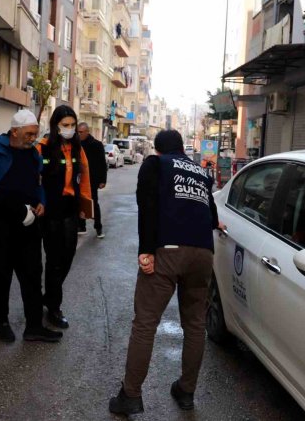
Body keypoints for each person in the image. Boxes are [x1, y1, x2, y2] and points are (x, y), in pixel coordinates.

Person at [109, 130, 224, 416]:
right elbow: (211, 216)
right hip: (202, 254)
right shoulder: (199, 170)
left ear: (158, 150)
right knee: (195, 325)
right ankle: (186, 391)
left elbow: (146, 207)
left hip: (168, 251)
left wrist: (146, 250)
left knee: (146, 324)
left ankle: (131, 395)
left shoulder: (155, 164)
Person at [0, 110, 62, 343]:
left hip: (28, 227)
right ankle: (1, 322)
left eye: (35, 134)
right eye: (28, 134)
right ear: (15, 132)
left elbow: (38, 183)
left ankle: (34, 326)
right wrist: (21, 210)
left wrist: (41, 203)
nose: (32, 139)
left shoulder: (32, 155)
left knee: (32, 275)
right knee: (0, 276)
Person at [36, 105, 92, 329]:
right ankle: (54, 307)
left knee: (68, 257)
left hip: (70, 208)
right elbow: (34, 178)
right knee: (54, 260)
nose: (69, 129)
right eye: (65, 125)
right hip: (50, 209)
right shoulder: (43, 148)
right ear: (56, 126)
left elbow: (85, 177)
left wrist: (85, 207)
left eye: (72, 125)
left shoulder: (78, 149)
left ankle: (49, 296)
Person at [77, 122, 107, 238]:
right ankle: (81, 225)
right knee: (79, 202)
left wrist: (102, 180)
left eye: (81, 132)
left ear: (87, 132)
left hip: (92, 180)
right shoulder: (76, 144)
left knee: (94, 203)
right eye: (78, 132)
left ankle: (98, 227)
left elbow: (102, 164)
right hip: (79, 179)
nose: (79, 134)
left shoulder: (97, 144)